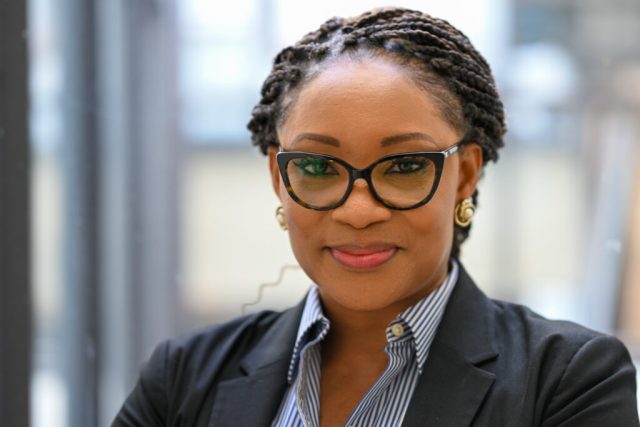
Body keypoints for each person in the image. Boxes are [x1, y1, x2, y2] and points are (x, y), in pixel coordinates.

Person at [114, 7, 639, 426]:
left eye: (405, 166)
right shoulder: (183, 378)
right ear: (279, 177)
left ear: (464, 174)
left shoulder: (567, 381)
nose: (359, 211)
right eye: (317, 167)